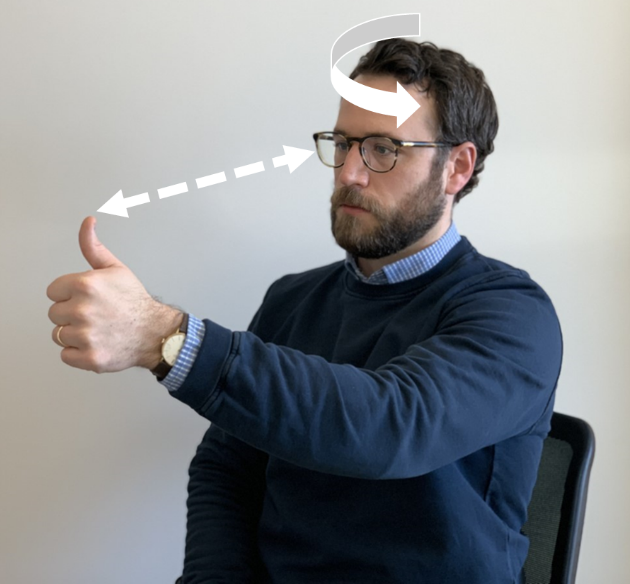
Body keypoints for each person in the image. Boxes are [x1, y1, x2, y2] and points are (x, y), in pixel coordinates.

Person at [47, 40, 563, 583]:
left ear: (456, 167)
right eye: (342, 144)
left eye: (383, 149)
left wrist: (166, 338)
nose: (349, 174)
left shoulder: (513, 316)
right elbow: (227, 467)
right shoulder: (292, 299)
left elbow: (390, 427)